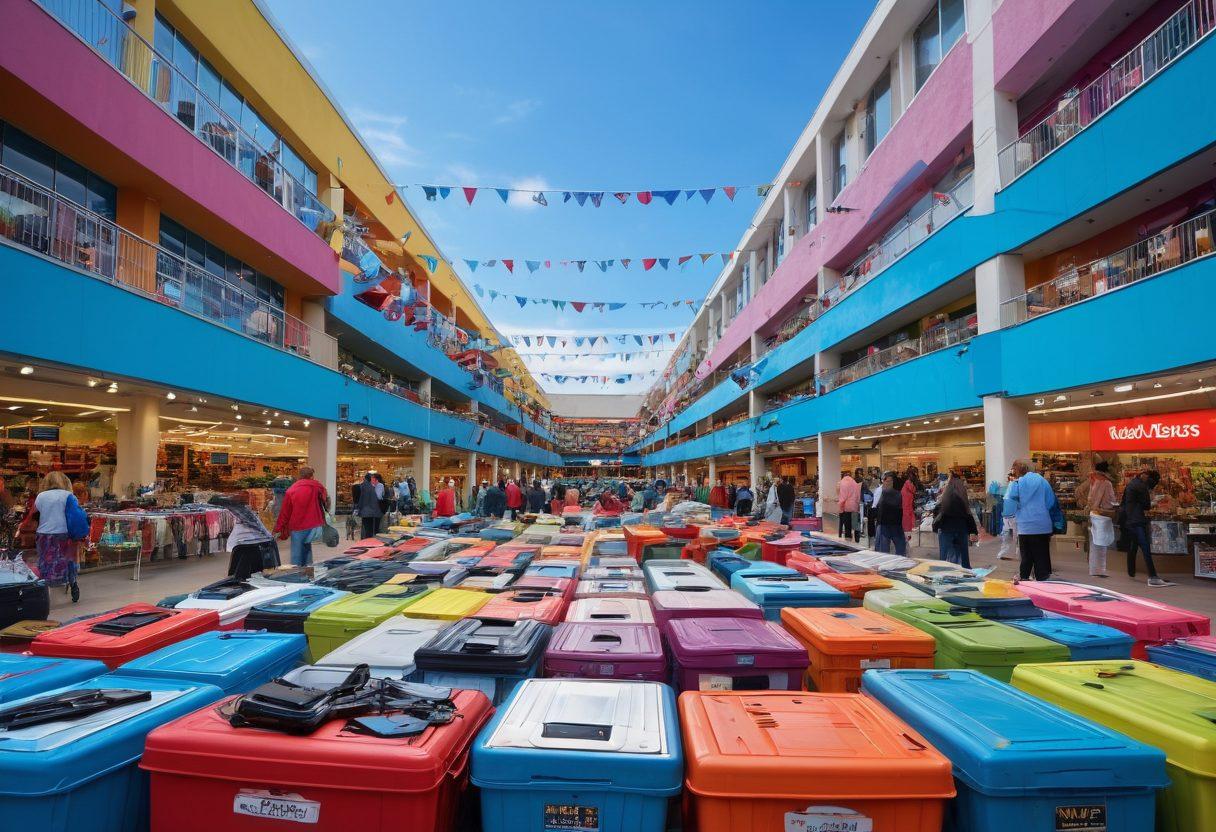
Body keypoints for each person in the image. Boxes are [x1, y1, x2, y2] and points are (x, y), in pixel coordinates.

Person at [1120, 468, 1174, 586]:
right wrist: (1154, 502)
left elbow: (1124, 502)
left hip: (1130, 519)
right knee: (1145, 547)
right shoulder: (1141, 486)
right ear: (1145, 476)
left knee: (1133, 545)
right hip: (1137, 520)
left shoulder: (1132, 484)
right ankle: (1153, 576)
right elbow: (1147, 506)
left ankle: (1131, 571)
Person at [1004, 460, 1055, 581]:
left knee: (1026, 558)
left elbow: (1009, 506)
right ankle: (1042, 583)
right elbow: (1050, 501)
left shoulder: (1016, 484)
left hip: (1025, 526)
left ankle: (1025, 581)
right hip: (1042, 525)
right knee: (1041, 557)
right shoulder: (1043, 481)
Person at [34, 471, 81, 601]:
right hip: (65, 532)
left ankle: (45, 589)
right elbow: (75, 514)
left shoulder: (41, 496)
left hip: (44, 533)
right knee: (69, 560)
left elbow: (38, 511)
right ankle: (73, 584)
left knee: (45, 560)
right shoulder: (70, 496)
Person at [213, 491, 277, 580]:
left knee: (244, 568)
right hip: (249, 544)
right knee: (248, 567)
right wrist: (269, 536)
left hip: (246, 545)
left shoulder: (242, 511)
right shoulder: (243, 511)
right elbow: (259, 527)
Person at [273, 466, 330, 567]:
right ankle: (308, 570)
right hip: (314, 525)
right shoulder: (317, 486)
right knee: (307, 549)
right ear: (312, 476)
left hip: (297, 526)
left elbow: (285, 512)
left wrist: (277, 528)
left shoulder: (291, 490)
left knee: (297, 554)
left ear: (300, 476)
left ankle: (298, 573)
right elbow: (326, 501)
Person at [932, 473, 977, 568]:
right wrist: (973, 531)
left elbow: (937, 511)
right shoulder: (962, 494)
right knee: (964, 556)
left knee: (944, 556)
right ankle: (966, 571)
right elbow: (968, 513)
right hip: (961, 528)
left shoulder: (946, 495)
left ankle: (944, 570)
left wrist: (936, 526)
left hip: (947, 529)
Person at [1085, 461, 1118, 578]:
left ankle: (1093, 569)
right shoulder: (1107, 483)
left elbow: (1089, 499)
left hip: (1093, 514)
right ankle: (1101, 570)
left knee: (1094, 542)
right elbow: (1111, 500)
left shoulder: (1093, 481)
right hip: (1103, 516)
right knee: (1102, 543)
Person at [873, 472, 907, 555]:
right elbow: (875, 506)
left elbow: (875, 506)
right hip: (886, 524)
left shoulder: (896, 492)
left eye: (891, 481)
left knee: (894, 549)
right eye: (887, 481)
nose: (889, 483)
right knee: (886, 550)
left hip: (892, 524)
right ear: (883, 481)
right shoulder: (880, 491)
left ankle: (900, 561)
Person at [352, 472, 385, 539]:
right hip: (373, 511)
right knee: (370, 529)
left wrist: (357, 508)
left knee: (366, 528)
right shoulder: (371, 487)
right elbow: (376, 498)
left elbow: (360, 500)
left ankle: (366, 541)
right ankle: (369, 540)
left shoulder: (363, 486)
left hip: (365, 511)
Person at [837, 470, 861, 543]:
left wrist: (840, 506)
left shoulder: (842, 483)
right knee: (855, 523)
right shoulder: (855, 483)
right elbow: (858, 496)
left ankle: (848, 539)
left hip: (846, 506)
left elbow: (842, 497)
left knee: (847, 524)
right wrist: (857, 505)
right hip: (855, 506)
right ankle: (857, 539)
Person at [901, 470, 917, 542]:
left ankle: (907, 535)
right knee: (907, 520)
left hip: (907, 504)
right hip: (906, 504)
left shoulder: (908, 483)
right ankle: (907, 535)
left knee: (908, 519)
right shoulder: (908, 483)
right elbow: (913, 490)